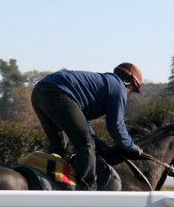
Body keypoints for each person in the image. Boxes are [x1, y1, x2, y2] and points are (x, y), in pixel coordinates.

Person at [31, 63, 144, 191]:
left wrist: (102, 146)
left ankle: (52, 186)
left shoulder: (104, 84)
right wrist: (131, 146)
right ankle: (88, 191)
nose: (128, 95)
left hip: (39, 91)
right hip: (58, 92)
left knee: (59, 146)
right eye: (132, 90)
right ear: (128, 82)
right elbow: (116, 126)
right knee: (85, 143)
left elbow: (84, 123)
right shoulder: (118, 87)